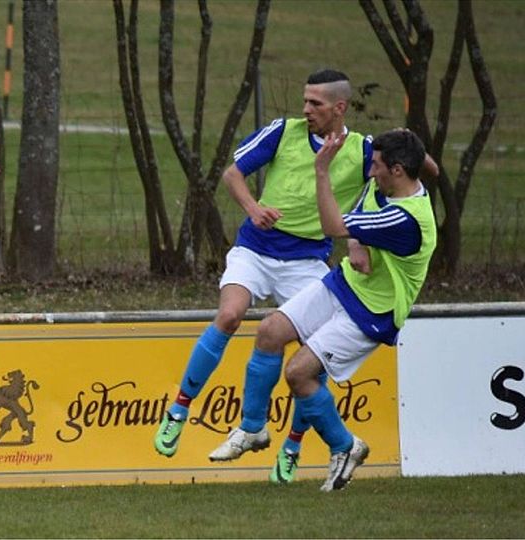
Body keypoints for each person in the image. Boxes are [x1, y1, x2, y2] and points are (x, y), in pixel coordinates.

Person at [153, 69, 374, 484]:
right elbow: (232, 174)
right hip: (256, 249)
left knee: (310, 355)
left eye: (315, 104)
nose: (305, 109)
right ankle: (179, 409)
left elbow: (383, 188)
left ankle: (291, 445)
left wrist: (357, 241)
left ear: (339, 108)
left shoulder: (363, 151)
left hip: (308, 259)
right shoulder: (283, 131)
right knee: (230, 315)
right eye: (305, 101)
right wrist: (254, 208)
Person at [216, 128, 436, 491]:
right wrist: (356, 242)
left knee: (298, 373)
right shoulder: (387, 185)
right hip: (344, 283)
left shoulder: (406, 218)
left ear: (398, 170)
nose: (370, 171)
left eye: (377, 166)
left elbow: (333, 225)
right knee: (270, 331)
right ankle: (252, 429)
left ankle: (345, 446)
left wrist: (322, 171)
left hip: (372, 311)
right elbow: (367, 211)